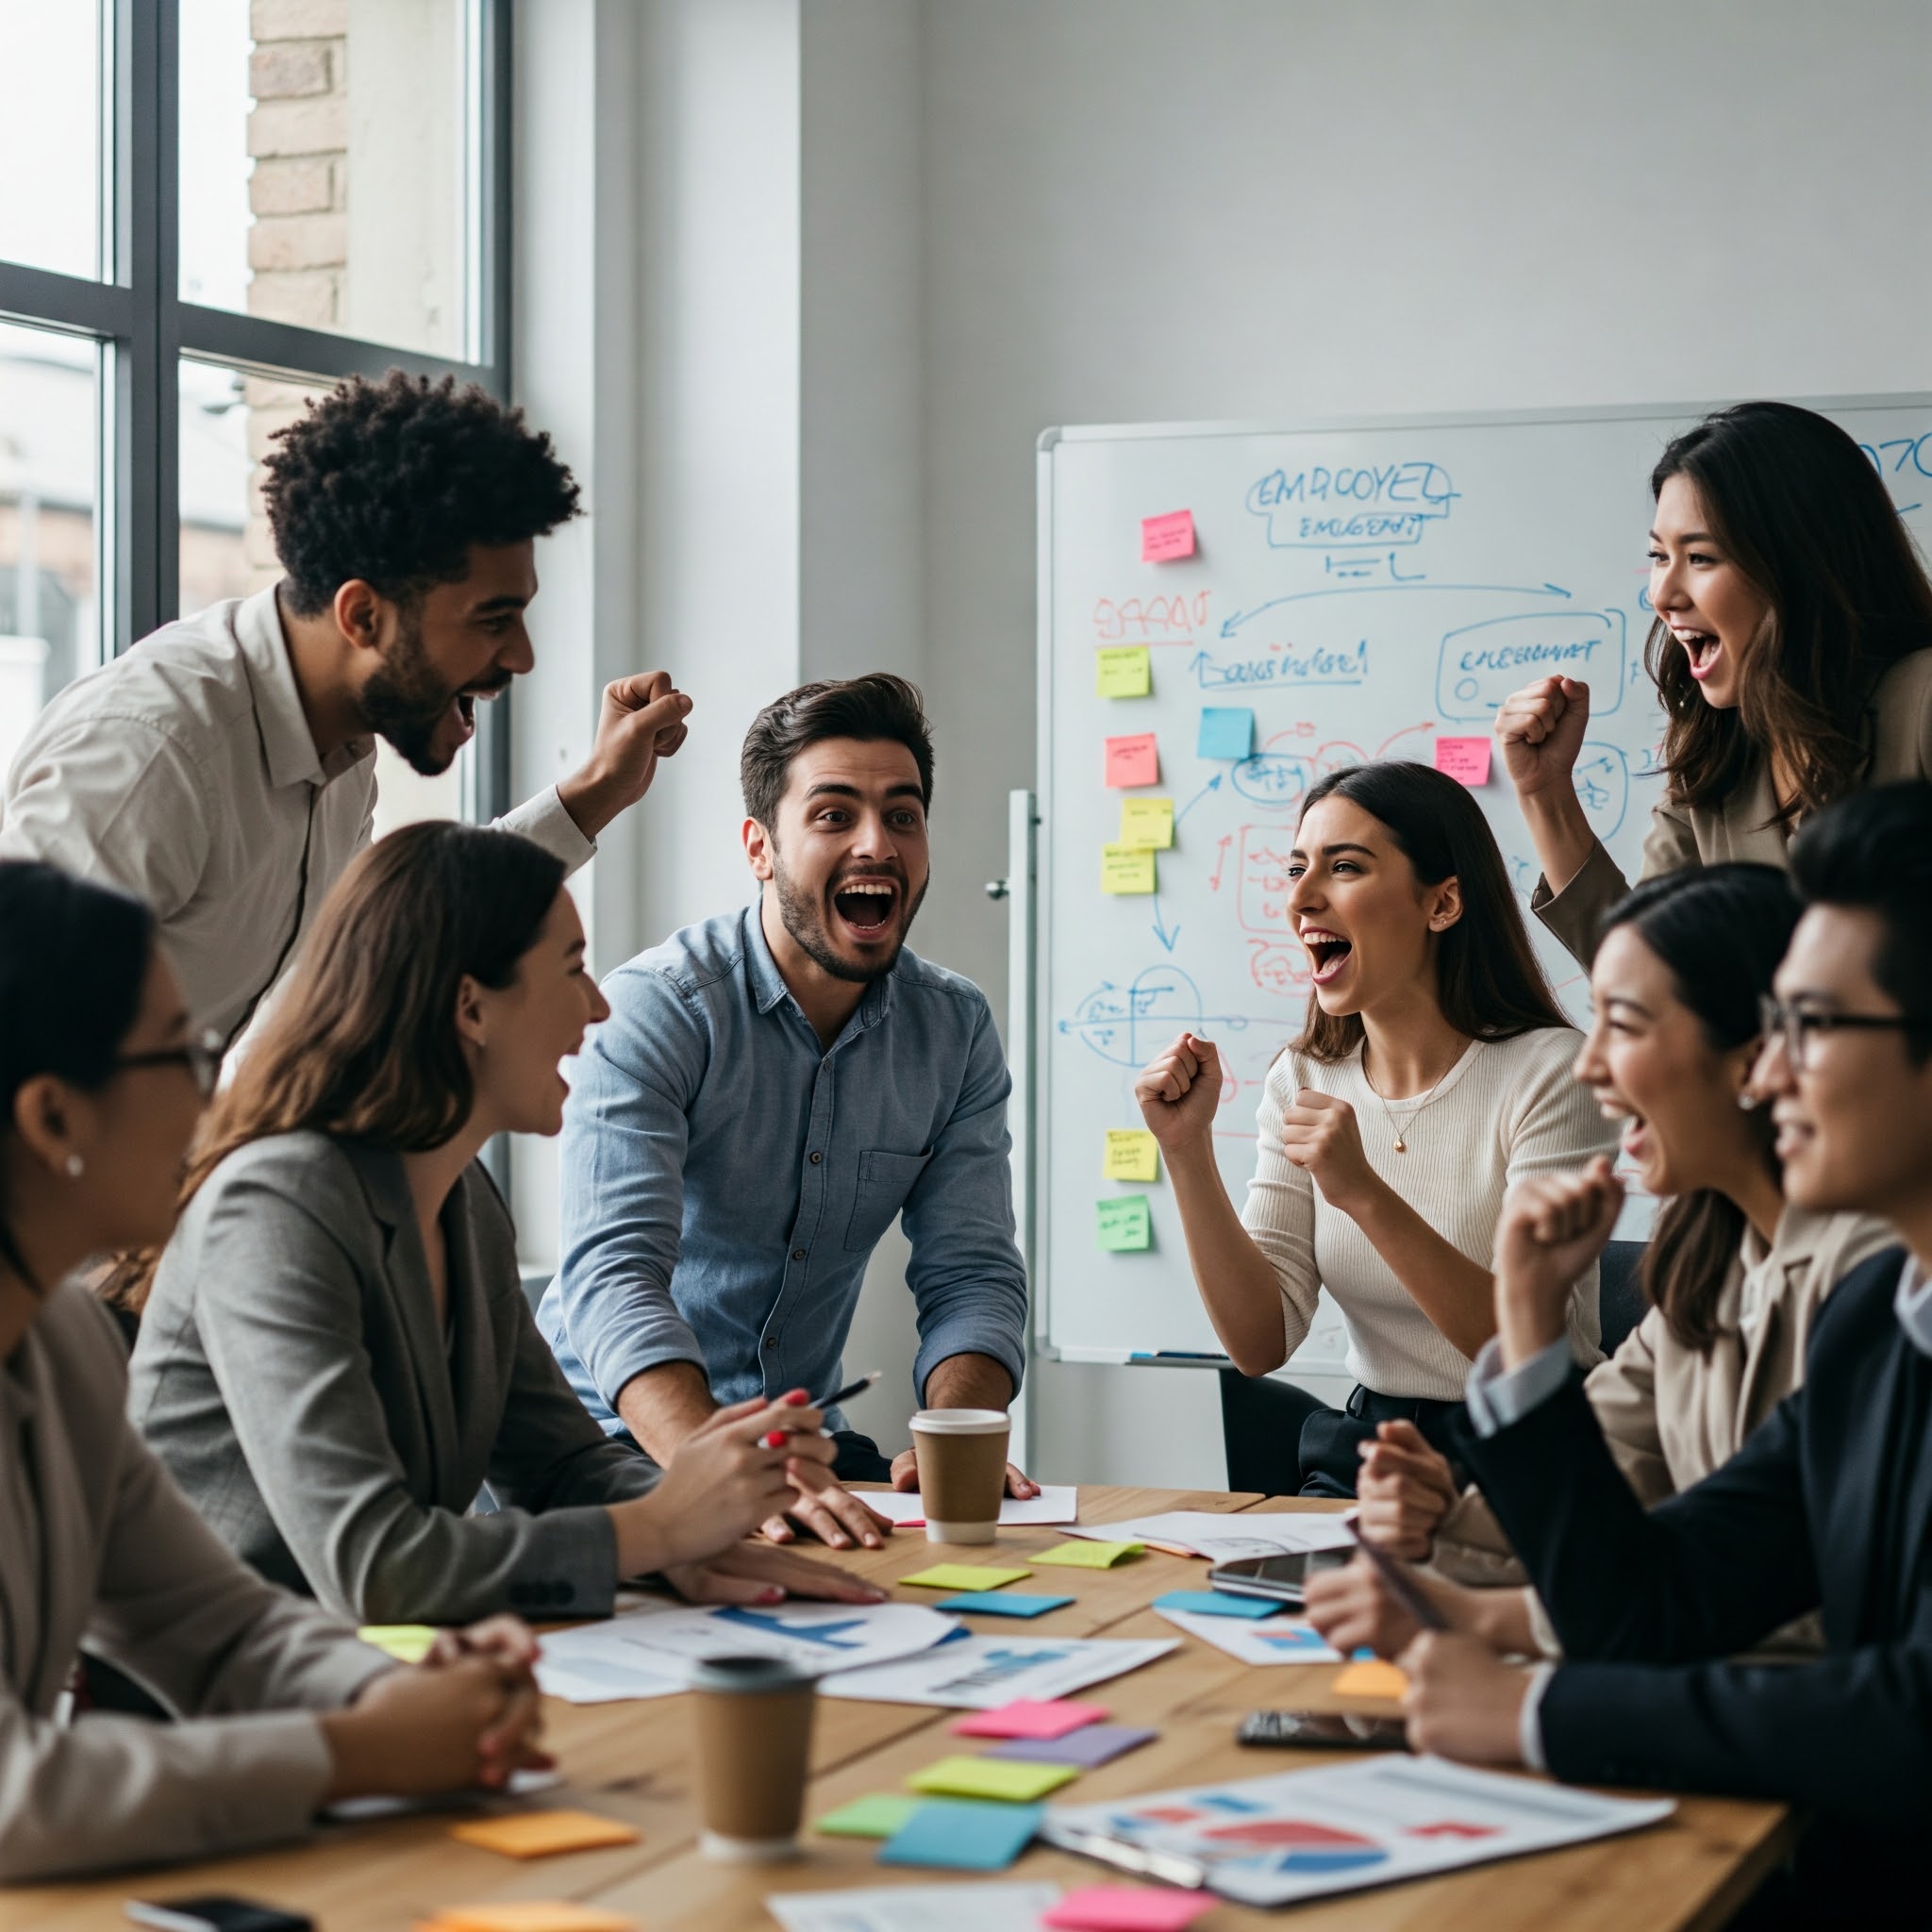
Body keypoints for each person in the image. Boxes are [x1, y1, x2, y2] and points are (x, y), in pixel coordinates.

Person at [1312, 783, 1932, 1901]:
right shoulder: (1877, 1324)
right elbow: (1653, 1597)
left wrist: (1528, 1698)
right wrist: (1526, 1333)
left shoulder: (1855, 1288)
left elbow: (1899, 1707)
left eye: (1811, 1027)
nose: (1773, 1068)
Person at [125, 824, 885, 1625]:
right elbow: (374, 1566)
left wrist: (700, 1534)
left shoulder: (462, 1200)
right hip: (203, 1698)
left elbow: (560, 1463)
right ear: (470, 1007)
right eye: (571, 970)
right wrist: (657, 1529)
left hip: (355, 1669)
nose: (597, 1007)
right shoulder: (275, 1207)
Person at [0, 859, 549, 1884]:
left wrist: (401, 1695)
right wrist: (354, 1751)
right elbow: (14, 1796)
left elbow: (215, 1625)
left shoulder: (64, 1342)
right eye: (181, 1056)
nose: (215, 1096)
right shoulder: (276, 1201)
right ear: (53, 1119)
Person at [0, 371, 692, 1045]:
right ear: (362, 617)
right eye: (492, 620)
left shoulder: (342, 740)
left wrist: (599, 789)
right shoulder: (155, 753)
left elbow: (391, 940)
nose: (521, 657)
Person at [1312, 864, 1889, 1657]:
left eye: (1624, 1023)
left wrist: (1487, 1627)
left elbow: (1799, 1612)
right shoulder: (1710, 1265)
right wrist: (1442, 1514)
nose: (1589, 1065)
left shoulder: (1875, 1282)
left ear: (1754, 1053)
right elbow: (1608, 1479)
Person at [540, 675, 1035, 1553]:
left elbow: (971, 1272)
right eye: (835, 815)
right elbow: (613, 1278)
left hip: (796, 1453)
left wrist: (959, 1430)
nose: (877, 844)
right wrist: (717, 1470)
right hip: (607, 1446)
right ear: (760, 848)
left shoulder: (953, 1030)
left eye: (903, 815)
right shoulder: (658, 1011)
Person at [1134, 760, 1615, 1496]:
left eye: (1345, 867)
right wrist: (1185, 1150)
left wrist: (1362, 1191)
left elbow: (1522, 1351)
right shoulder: (1303, 1077)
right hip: (1370, 1453)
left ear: (1443, 903)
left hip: (1532, 1457)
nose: (1300, 898)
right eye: (1297, 869)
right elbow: (1260, 1343)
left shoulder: (1553, 1072)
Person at [1497, 400, 1932, 966]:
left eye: (1700, 557)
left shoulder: (1920, 699)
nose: (1663, 594)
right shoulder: (1716, 753)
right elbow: (1647, 974)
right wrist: (1544, 793)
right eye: (1659, 556)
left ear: (1800, 562)